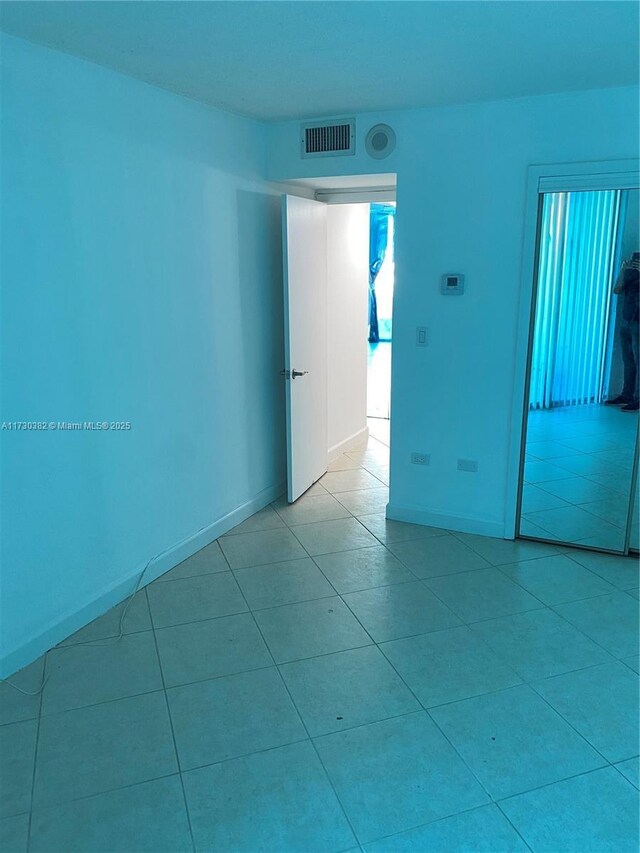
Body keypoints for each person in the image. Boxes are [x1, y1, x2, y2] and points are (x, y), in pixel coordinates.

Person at [606, 251, 639, 411]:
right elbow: (617, 289)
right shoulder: (630, 273)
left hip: (638, 321)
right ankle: (627, 394)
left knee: (639, 361)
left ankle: (637, 399)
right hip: (627, 319)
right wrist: (623, 269)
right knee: (628, 360)